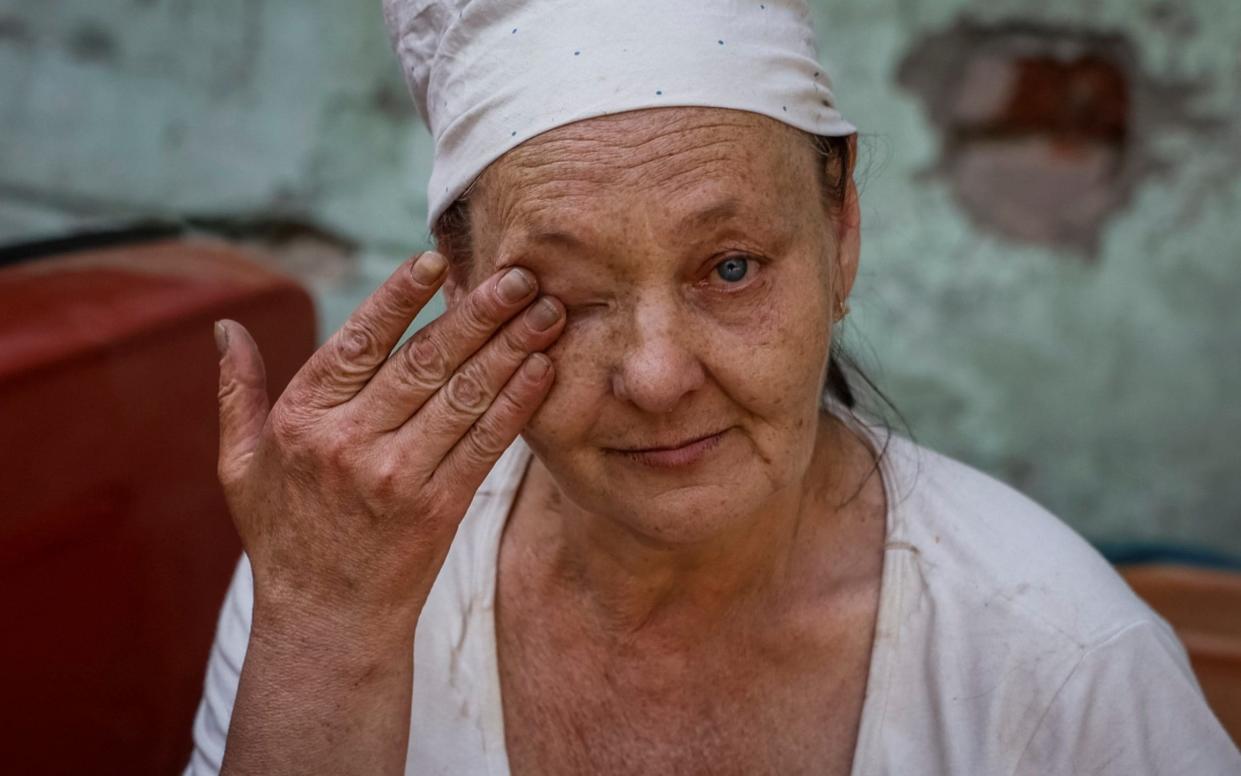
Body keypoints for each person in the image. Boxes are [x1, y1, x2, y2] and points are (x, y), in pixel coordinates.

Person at [187, 1, 1241, 774]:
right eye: (562, 289)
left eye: (729, 266)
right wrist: (324, 631)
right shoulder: (349, 583)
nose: (654, 375)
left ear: (840, 234)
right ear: (463, 286)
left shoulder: (1060, 668)